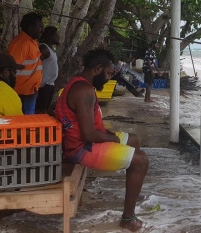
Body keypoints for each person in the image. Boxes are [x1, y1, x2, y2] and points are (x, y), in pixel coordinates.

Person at [54, 49, 149, 232]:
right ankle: (128, 219)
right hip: (81, 148)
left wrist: (109, 135)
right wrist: (112, 138)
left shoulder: (80, 82)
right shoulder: (84, 90)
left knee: (134, 140)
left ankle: (132, 192)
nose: (108, 78)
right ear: (98, 68)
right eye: (107, 73)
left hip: (83, 141)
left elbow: (89, 125)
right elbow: (88, 135)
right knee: (141, 160)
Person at [7, 12, 44, 114]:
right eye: (40, 26)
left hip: (30, 90)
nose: (42, 30)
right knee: (24, 122)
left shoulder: (31, 42)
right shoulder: (21, 43)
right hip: (21, 92)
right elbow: (10, 65)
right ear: (30, 27)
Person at [35, 26, 60, 114]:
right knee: (40, 110)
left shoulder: (51, 49)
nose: (58, 37)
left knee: (45, 109)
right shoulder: (44, 48)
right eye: (56, 35)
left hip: (49, 84)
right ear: (51, 36)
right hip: (43, 85)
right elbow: (34, 63)